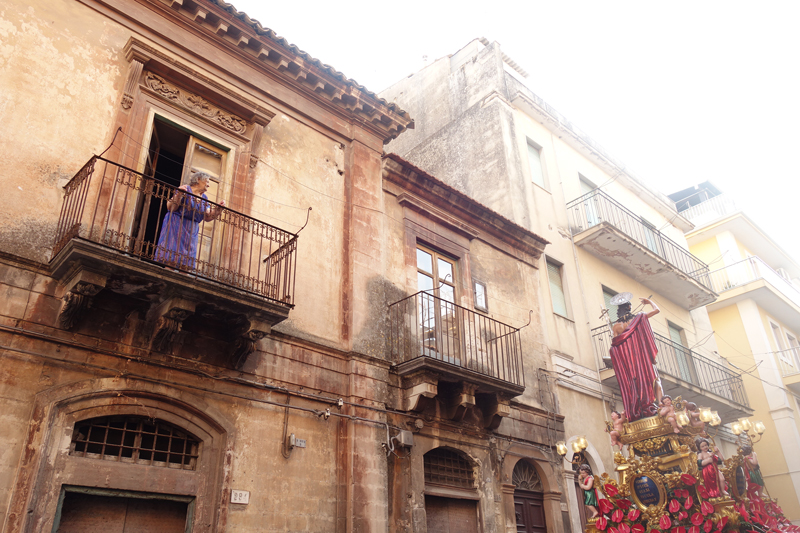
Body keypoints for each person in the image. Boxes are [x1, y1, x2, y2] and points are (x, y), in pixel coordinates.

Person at [154, 172, 225, 269]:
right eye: (207, 181)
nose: (208, 184)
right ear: (198, 180)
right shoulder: (185, 189)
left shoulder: (204, 198)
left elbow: (208, 216)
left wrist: (218, 209)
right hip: (176, 226)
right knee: (171, 259)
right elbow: (171, 207)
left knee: (186, 264)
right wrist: (178, 195)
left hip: (191, 231)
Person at [609, 297, 662, 421]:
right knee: (654, 379)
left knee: (634, 384)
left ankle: (637, 407)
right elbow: (657, 310)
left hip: (628, 359)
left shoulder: (616, 326)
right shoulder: (639, 317)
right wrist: (649, 302)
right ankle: (660, 404)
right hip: (641, 356)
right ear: (628, 307)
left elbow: (615, 345)